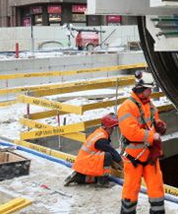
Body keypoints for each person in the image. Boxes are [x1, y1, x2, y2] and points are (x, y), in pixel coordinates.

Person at [117, 74, 168, 214]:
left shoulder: (149, 105)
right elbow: (130, 132)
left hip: (150, 155)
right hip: (134, 157)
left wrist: (160, 125)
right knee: (131, 189)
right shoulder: (126, 107)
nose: (151, 92)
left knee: (156, 188)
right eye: (149, 89)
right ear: (140, 89)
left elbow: (153, 121)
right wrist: (153, 136)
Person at [64, 113, 123, 187]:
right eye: (111, 128)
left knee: (95, 178)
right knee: (107, 156)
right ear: (105, 127)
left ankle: (79, 177)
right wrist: (122, 164)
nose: (113, 130)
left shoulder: (100, 133)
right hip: (86, 163)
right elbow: (113, 152)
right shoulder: (101, 139)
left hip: (82, 164)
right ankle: (103, 182)